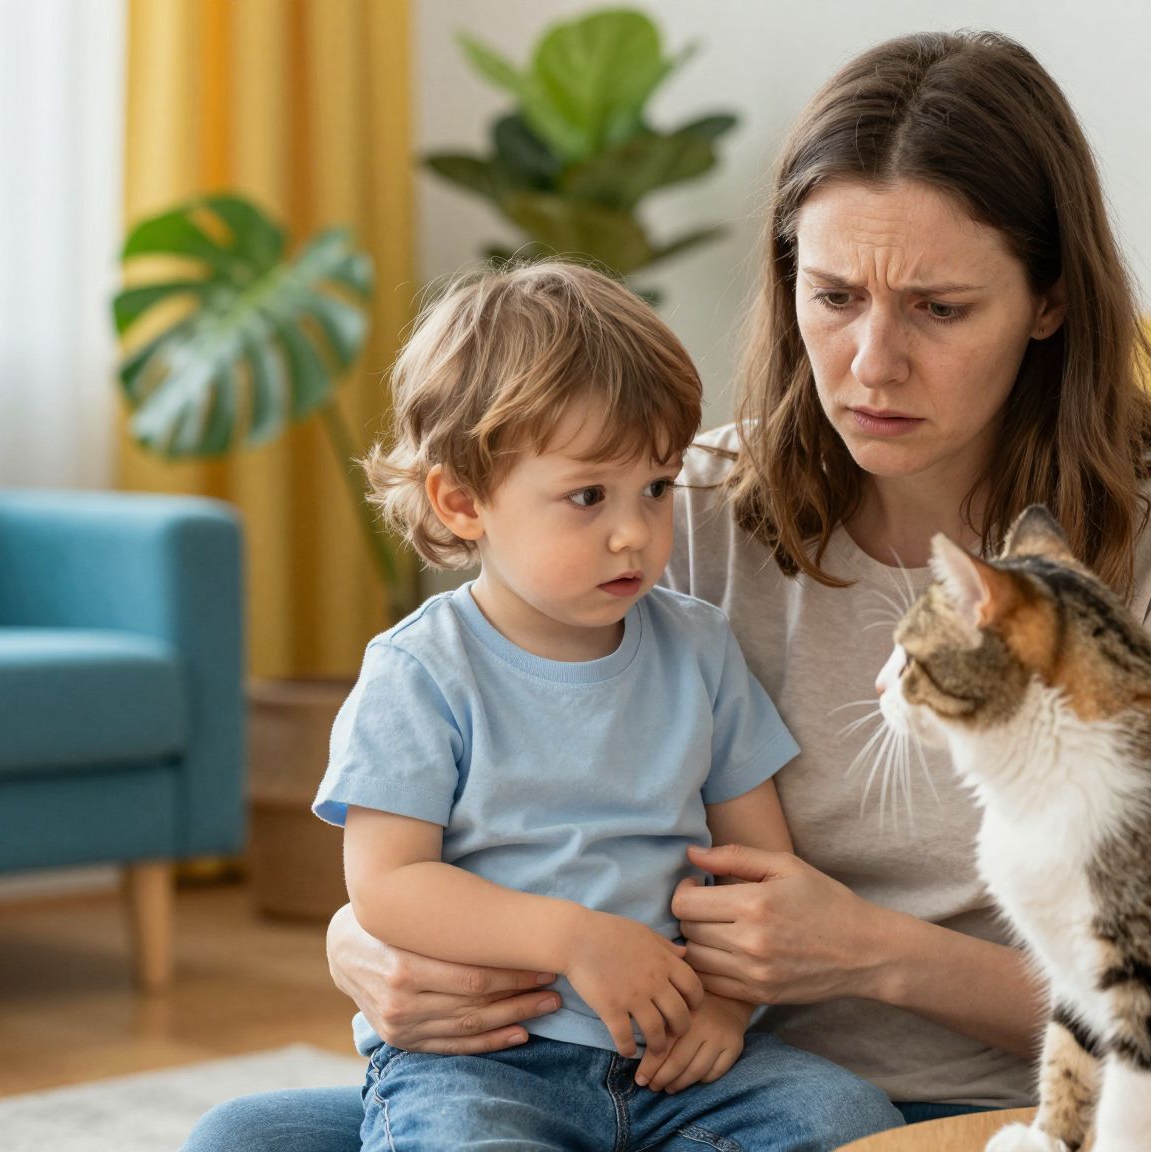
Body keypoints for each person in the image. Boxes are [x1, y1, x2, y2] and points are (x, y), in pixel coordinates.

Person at [184, 29, 1151, 1152]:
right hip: (650, 1071)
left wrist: (875, 956)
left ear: (1049, 302)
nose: (870, 362)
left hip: (962, 1103)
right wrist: (365, 947)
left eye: (939, 309)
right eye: (834, 295)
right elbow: (470, 826)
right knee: (242, 1140)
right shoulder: (687, 505)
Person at [310, 261, 905, 1151]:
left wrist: (728, 1006)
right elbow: (387, 886)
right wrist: (574, 939)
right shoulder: (418, 673)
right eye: (588, 496)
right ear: (462, 501)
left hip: (676, 1059)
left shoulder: (699, 648)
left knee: (846, 1121)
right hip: (485, 1061)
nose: (634, 532)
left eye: (656, 488)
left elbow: (758, 868)